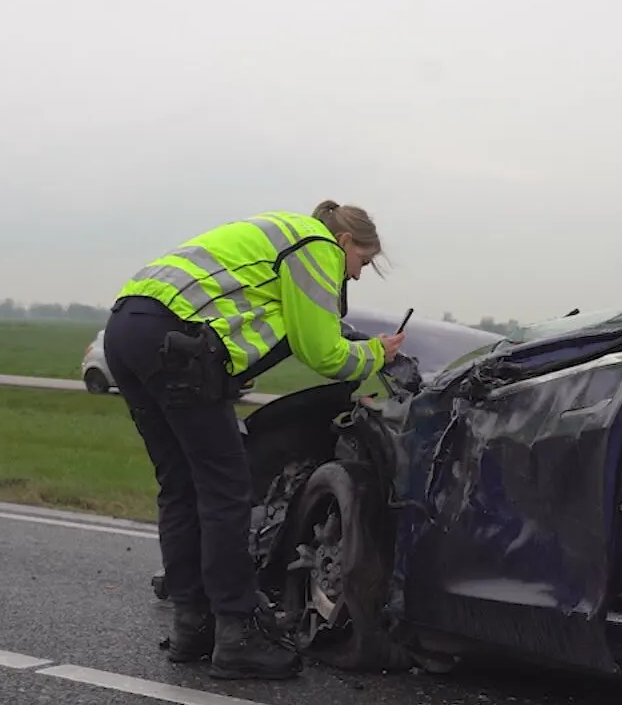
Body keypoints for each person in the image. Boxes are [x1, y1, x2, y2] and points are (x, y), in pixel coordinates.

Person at [106, 200, 404, 680]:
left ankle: (192, 625)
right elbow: (322, 351)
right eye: (363, 263)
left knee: (180, 483)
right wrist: (375, 354)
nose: (358, 275)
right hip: (177, 342)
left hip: (127, 328)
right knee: (226, 487)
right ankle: (236, 633)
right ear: (346, 241)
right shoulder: (317, 246)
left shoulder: (280, 233)